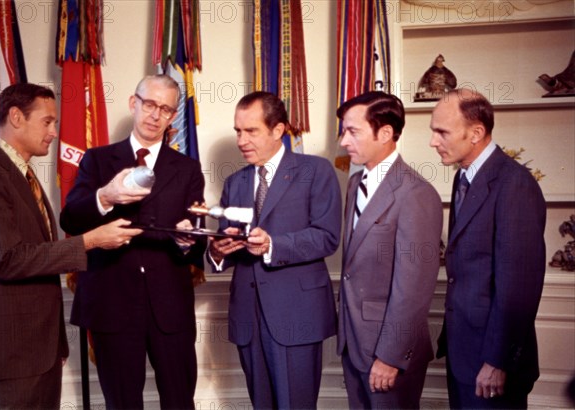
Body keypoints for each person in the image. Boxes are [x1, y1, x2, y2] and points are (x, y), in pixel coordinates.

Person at [0, 83, 141, 409]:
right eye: (47, 121)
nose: (54, 132)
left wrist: (57, 344)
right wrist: (92, 240)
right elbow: (8, 259)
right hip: (9, 357)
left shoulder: (24, 176)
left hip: (41, 352)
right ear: (16, 117)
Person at [60, 75, 205, 409]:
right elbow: (70, 220)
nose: (155, 115)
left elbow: (199, 244)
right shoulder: (96, 160)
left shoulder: (187, 169)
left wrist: (187, 240)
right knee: (122, 403)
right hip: (112, 304)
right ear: (133, 103)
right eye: (150, 104)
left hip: (170, 308)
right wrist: (106, 196)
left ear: (172, 117)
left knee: (180, 401)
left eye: (165, 109)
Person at [208, 91, 341, 409]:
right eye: (238, 131)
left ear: (278, 130)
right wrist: (218, 251)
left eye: (251, 131)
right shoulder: (235, 182)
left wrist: (273, 245)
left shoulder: (316, 171)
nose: (241, 140)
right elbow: (221, 244)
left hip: (297, 315)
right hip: (248, 317)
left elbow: (327, 236)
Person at [430, 89, 546, 409]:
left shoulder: (515, 184)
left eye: (442, 131)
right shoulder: (463, 179)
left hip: (492, 363)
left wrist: (497, 362)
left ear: (477, 132)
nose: (433, 141)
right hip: (464, 354)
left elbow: (518, 288)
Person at [336, 91, 443, 409]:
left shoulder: (417, 194)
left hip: (388, 351)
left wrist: (390, 356)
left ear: (385, 133)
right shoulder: (355, 185)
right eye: (343, 130)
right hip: (353, 343)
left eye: (352, 131)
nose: (343, 141)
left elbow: (414, 289)